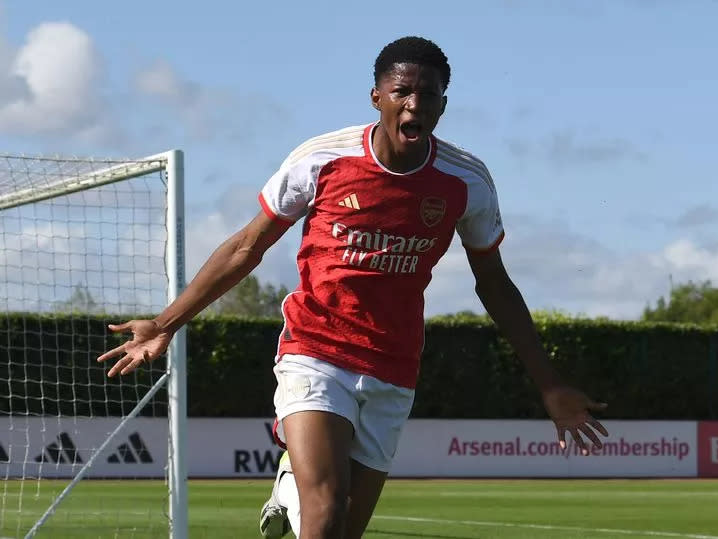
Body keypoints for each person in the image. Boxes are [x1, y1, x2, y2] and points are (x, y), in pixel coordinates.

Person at [98, 36, 609, 539]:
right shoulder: (322, 159)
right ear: (377, 98)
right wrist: (165, 323)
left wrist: (550, 385)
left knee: (343, 528)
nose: (414, 104)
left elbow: (494, 284)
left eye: (427, 95)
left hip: (394, 366)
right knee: (323, 517)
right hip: (314, 350)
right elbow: (246, 247)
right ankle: (301, 492)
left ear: (443, 105)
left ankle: (290, 488)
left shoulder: (466, 181)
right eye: (401, 92)